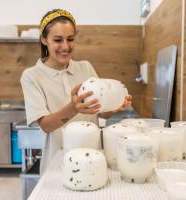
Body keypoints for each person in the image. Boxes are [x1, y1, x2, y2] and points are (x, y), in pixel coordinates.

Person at [20, 8, 131, 174]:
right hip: (58, 162)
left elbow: (100, 112)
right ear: (44, 39)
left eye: (70, 39)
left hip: (93, 157)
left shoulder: (85, 68)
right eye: (58, 40)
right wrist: (73, 108)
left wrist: (114, 106)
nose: (65, 46)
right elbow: (46, 126)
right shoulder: (32, 76)